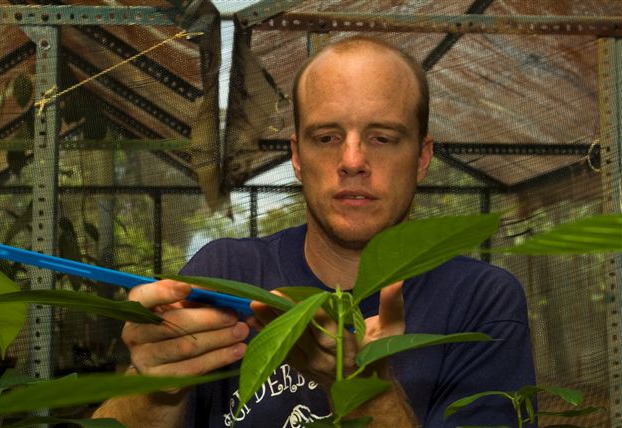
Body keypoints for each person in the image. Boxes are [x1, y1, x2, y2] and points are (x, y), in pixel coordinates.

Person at [93, 36, 535, 427]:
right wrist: (154, 387)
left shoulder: (481, 301)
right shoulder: (222, 273)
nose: (352, 161)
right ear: (297, 157)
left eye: (382, 137)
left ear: (422, 157)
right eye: (326, 137)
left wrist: (366, 389)